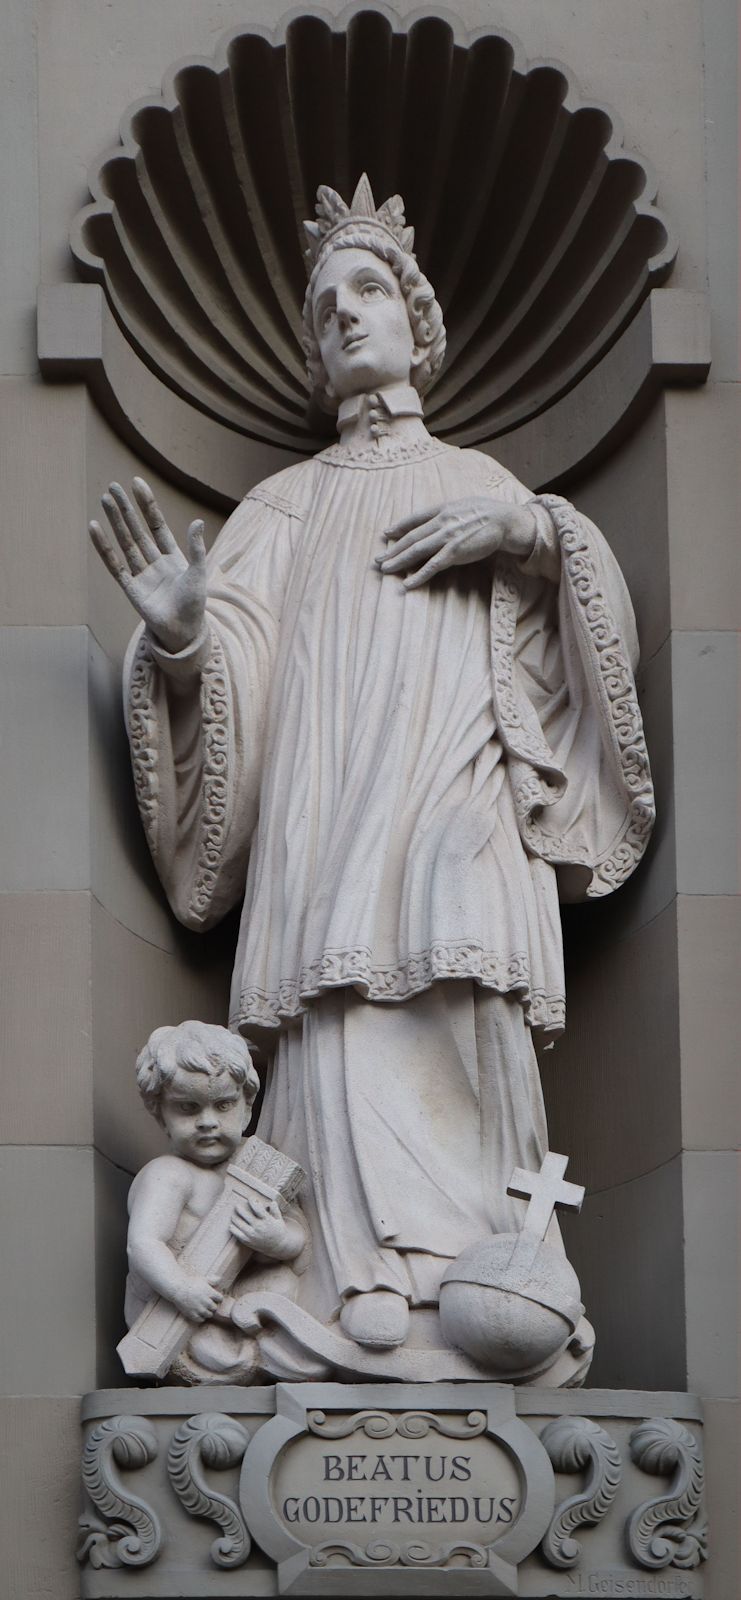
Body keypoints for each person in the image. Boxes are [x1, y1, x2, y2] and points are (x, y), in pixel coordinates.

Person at [91, 178, 654, 1373]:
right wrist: (186, 636)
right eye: (323, 304)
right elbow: (227, 667)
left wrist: (538, 537)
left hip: (460, 787)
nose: (346, 314)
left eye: (368, 289)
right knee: (343, 1014)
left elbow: (583, 657)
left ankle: (483, 1268)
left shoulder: (492, 482)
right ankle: (357, 1271)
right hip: (328, 809)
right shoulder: (280, 506)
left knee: (460, 973)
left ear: (417, 319)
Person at [125, 1020, 306, 1379]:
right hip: (179, 1312)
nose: (208, 1122)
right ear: (161, 1113)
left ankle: (261, 1352)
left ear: (248, 1107)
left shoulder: (256, 1167)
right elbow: (144, 1244)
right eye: (188, 1108)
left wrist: (277, 1239)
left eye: (223, 1105)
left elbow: (299, 1238)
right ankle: (238, 1359)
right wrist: (181, 1288)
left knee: (283, 1283)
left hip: (234, 1302)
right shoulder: (168, 1174)